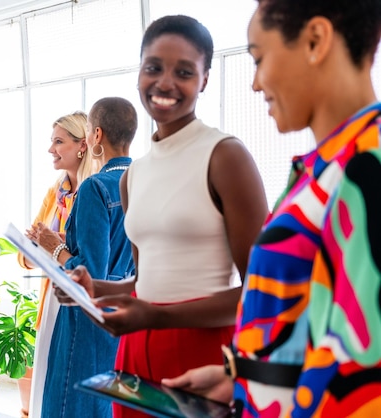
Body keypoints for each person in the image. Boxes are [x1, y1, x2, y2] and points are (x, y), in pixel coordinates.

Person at [164, 1, 381, 416]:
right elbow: (312, 329)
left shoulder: (366, 166)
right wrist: (241, 375)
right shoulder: (325, 168)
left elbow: (362, 371)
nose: (256, 84)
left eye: (260, 59)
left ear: (316, 40)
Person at [61, 16, 268, 418]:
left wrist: (157, 315)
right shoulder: (133, 175)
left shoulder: (225, 156)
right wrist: (95, 287)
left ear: (205, 79)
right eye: (153, 67)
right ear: (138, 72)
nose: (165, 82)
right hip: (136, 351)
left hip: (204, 355)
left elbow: (262, 291)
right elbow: (146, 283)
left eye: (185, 71)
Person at [29, 97, 138, 418]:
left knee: (70, 406)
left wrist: (55, 246)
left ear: (96, 136)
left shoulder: (95, 187)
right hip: (128, 312)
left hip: (86, 316)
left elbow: (90, 272)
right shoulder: (142, 181)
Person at [20, 111, 99, 418]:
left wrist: (56, 242)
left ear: (83, 146)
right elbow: (28, 251)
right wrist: (31, 247)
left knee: (73, 388)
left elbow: (90, 255)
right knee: (48, 385)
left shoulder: (97, 191)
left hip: (81, 297)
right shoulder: (55, 192)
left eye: (58, 141)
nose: (51, 149)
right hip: (52, 297)